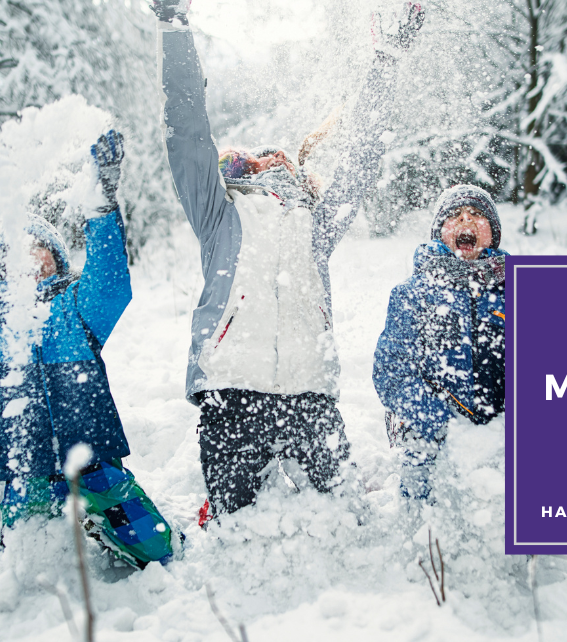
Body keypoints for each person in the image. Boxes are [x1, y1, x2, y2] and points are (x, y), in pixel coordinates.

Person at [152, 0, 426, 518]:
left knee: (346, 521)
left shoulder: (316, 226)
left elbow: (364, 154)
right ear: (239, 169)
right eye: (257, 155)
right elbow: (188, 130)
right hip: (232, 390)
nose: (272, 156)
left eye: (281, 154)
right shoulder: (219, 214)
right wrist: (174, 26)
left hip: (310, 394)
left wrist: (388, 58)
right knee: (239, 532)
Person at [0, 131, 179, 567]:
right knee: (25, 563)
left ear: (57, 258)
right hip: (27, 464)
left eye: (39, 248)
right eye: (17, 251)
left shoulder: (77, 306)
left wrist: (101, 210)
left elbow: (111, 286)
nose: (29, 256)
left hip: (91, 457)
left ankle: (104, 525)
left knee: (156, 549)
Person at [372, 184, 508, 501]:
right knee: (430, 511)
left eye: (477, 215)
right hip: (430, 425)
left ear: (493, 233)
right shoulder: (414, 293)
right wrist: (435, 420)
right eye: (454, 216)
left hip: (500, 427)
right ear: (439, 232)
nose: (466, 222)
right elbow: (392, 372)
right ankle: (422, 529)